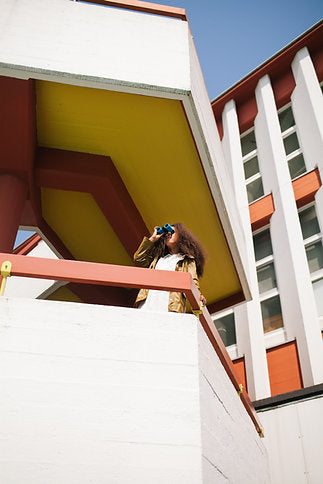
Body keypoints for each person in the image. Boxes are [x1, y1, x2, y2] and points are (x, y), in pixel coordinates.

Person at [133, 223, 206, 313]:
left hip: (170, 307)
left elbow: (193, 282)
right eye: (166, 233)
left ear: (181, 236)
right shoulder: (158, 259)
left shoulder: (186, 260)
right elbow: (139, 258)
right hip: (147, 304)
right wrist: (152, 239)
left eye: (172, 232)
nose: (168, 235)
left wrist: (199, 297)